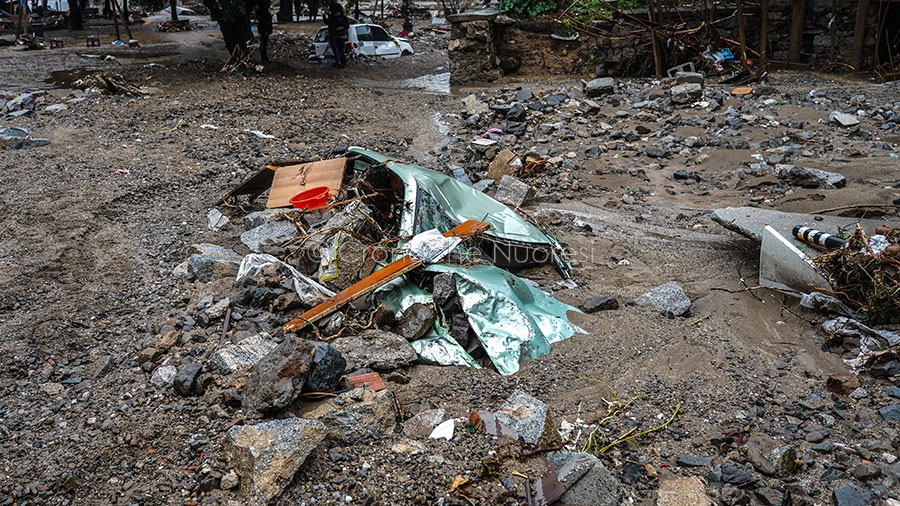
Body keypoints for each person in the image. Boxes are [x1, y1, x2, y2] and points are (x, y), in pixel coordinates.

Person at [323, 1, 349, 68]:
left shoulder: (340, 18)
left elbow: (346, 25)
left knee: (338, 50)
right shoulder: (333, 17)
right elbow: (327, 22)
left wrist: (341, 28)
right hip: (336, 35)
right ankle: (338, 62)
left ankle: (339, 62)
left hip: (338, 35)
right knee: (337, 50)